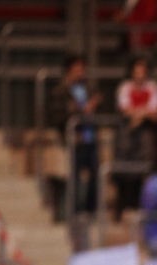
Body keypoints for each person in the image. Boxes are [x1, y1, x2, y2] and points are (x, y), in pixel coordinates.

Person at [49, 54, 101, 214]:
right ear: (69, 71)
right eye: (77, 70)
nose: (80, 73)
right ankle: (72, 210)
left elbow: (97, 107)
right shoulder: (60, 91)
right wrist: (79, 110)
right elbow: (57, 116)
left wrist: (93, 106)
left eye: (82, 70)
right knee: (74, 177)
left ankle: (91, 210)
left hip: (90, 138)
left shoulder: (89, 89)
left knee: (95, 175)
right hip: (73, 140)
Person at [114, 56, 157, 218]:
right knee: (126, 172)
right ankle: (124, 207)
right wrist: (143, 113)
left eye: (143, 72)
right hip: (128, 135)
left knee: (145, 170)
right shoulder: (125, 87)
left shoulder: (153, 87)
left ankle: (144, 208)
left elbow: (155, 112)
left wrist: (138, 115)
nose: (140, 75)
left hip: (147, 134)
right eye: (137, 72)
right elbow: (124, 108)